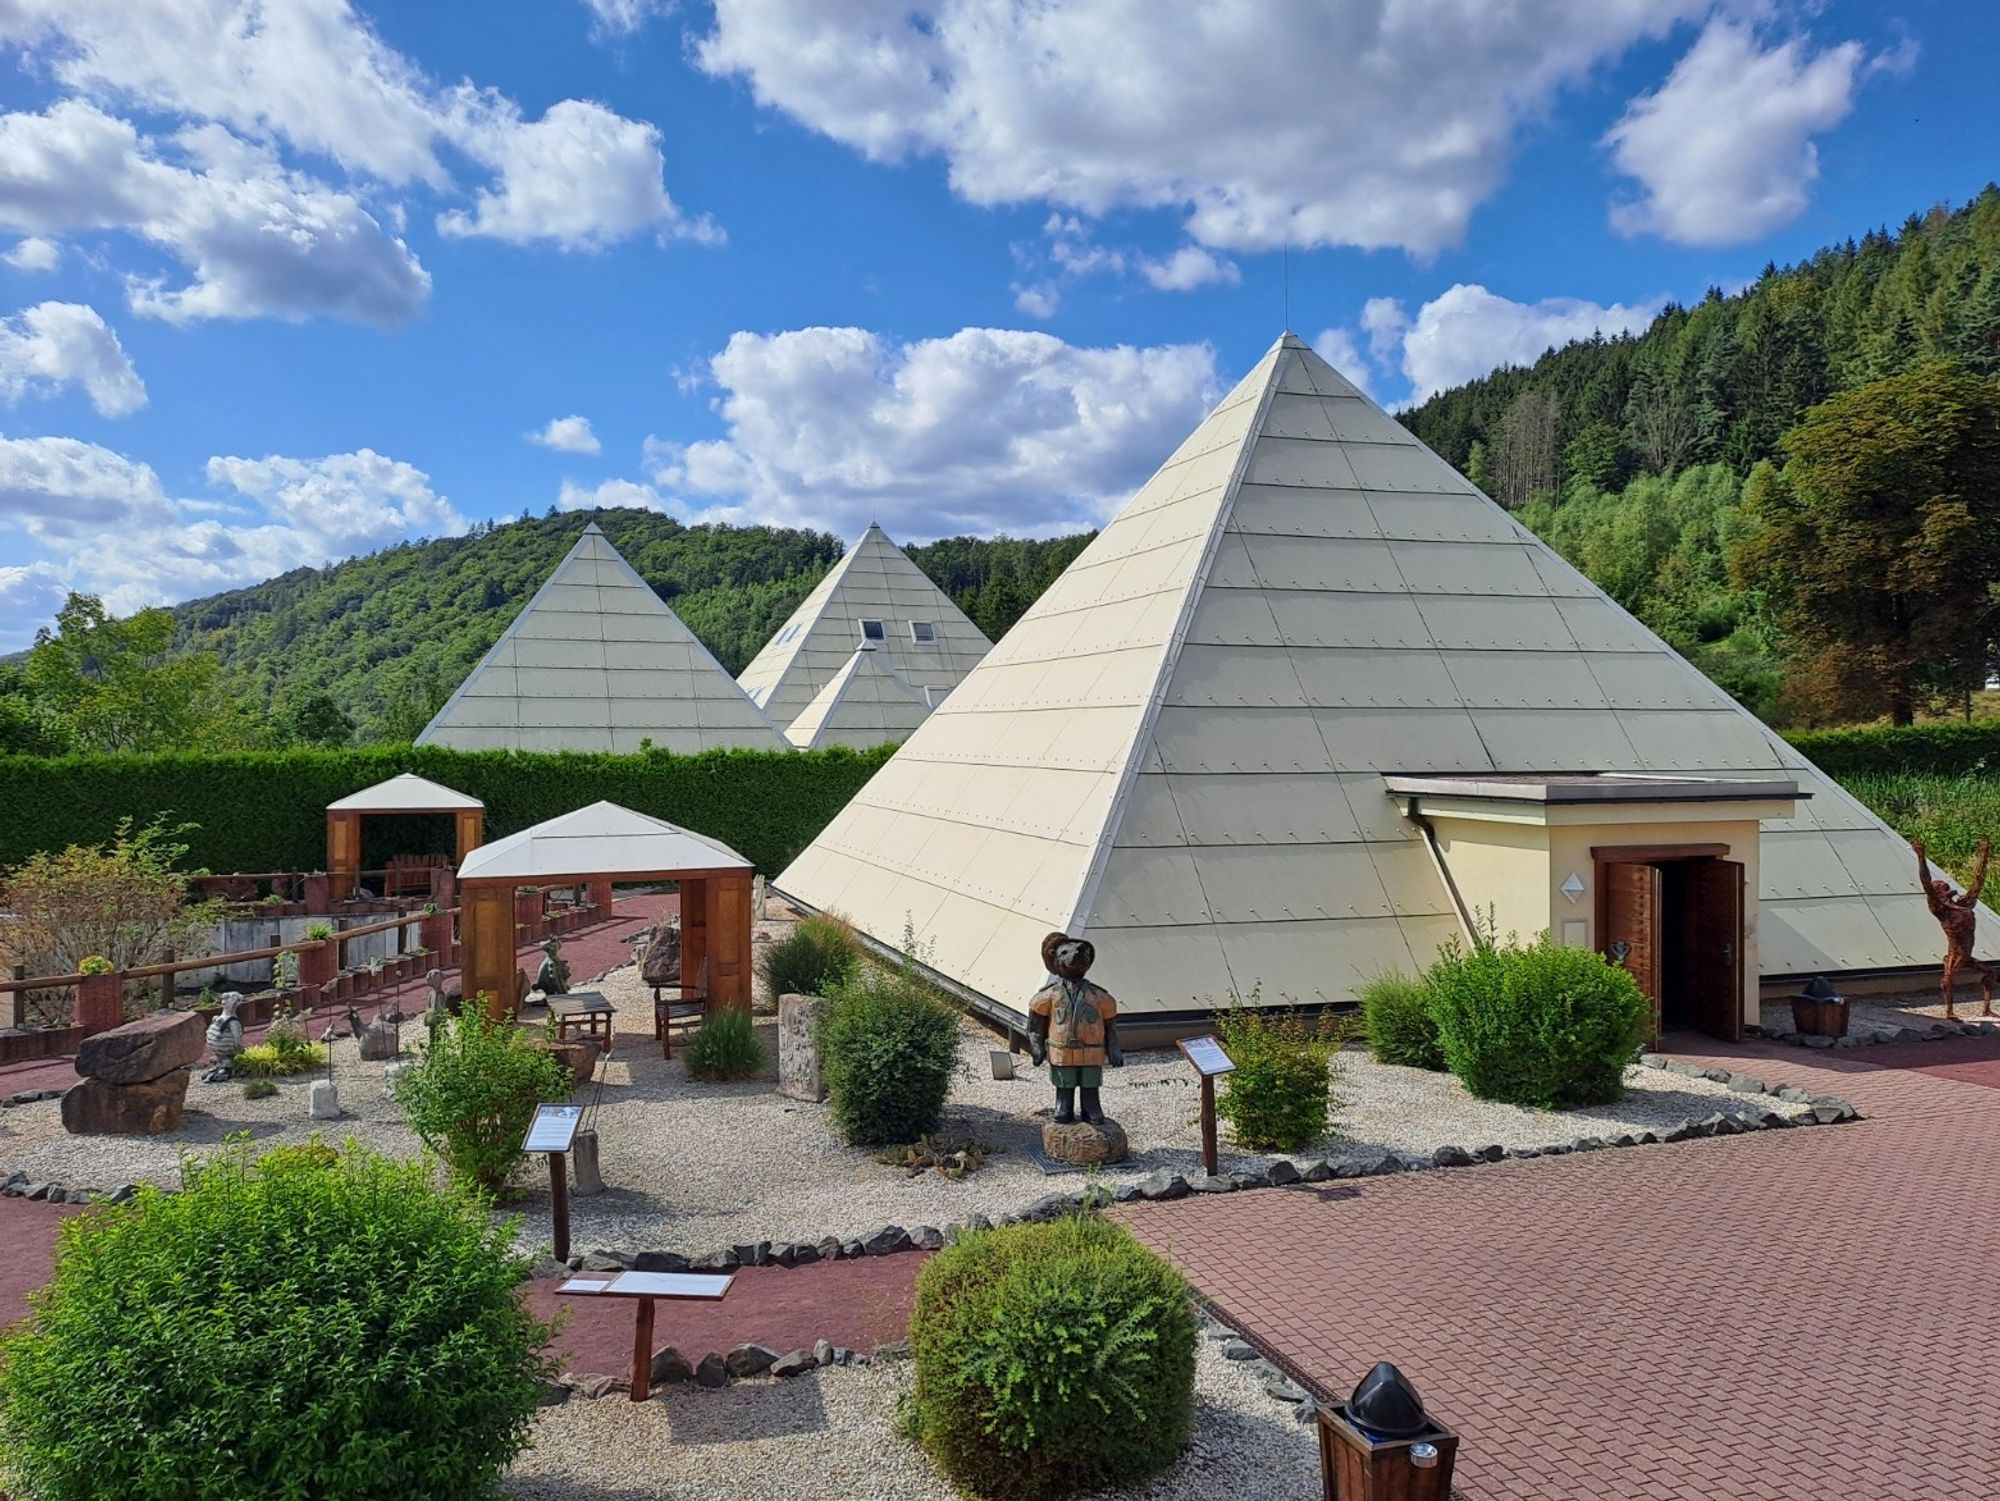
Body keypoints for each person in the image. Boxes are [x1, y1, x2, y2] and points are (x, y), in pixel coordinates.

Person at [1027, 932, 1124, 1125]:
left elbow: (1110, 1027)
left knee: (1090, 1081)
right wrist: (1036, 1046)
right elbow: (1034, 1025)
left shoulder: (1098, 996)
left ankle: (1091, 1107)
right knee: (1064, 1081)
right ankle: (1063, 1105)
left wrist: (1114, 1048)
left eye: (1083, 953)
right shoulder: (1050, 995)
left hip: (1091, 1050)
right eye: (1065, 953)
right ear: (1055, 960)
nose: (1078, 954)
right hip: (1061, 1050)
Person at [1913, 836, 1994, 1020]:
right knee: (1948, 979)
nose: (1946, 886)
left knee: (1990, 973)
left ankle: (1986, 1008)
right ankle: (1949, 1011)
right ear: (1937, 895)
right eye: (1941, 887)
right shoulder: (1943, 911)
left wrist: (1984, 853)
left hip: (1966, 954)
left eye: (1945, 885)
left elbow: (1978, 881)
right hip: (1955, 954)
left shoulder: (1963, 905)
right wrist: (1921, 857)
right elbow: (1926, 883)